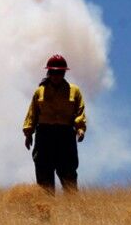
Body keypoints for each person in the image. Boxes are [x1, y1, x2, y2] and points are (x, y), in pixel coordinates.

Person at [23, 54, 86, 193]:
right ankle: (46, 205)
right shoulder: (40, 92)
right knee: (44, 174)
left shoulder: (74, 91)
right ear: (49, 72)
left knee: (68, 174)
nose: (56, 76)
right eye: (53, 72)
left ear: (64, 73)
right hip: (44, 136)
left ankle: (72, 205)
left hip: (65, 136)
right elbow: (32, 114)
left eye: (60, 72)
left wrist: (80, 129)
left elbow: (79, 112)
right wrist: (28, 134)